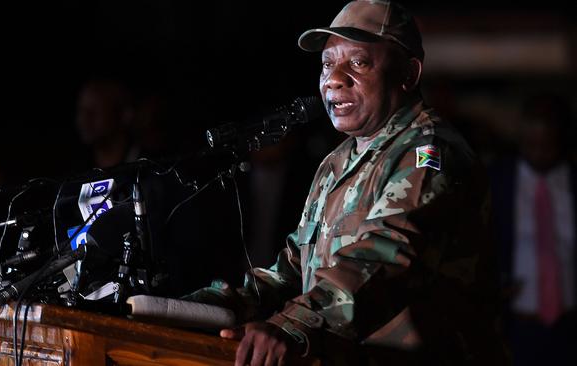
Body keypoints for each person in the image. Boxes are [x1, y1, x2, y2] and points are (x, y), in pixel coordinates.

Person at [184, 1, 505, 365]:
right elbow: (293, 269)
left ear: (408, 73)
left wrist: (293, 325)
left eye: (358, 63)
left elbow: (388, 255)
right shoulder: (336, 162)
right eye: (327, 64)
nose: (334, 78)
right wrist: (205, 308)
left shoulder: (431, 152)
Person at [490, 94, 576, 366]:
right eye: (532, 144)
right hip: (516, 325)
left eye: (548, 145)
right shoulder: (497, 182)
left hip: (571, 324)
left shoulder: (574, 181)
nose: (539, 152)